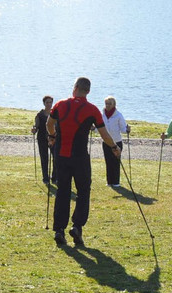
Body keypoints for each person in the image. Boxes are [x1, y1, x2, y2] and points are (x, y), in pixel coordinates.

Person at [47, 76, 120, 247]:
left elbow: (49, 124)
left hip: (61, 156)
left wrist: (52, 137)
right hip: (80, 157)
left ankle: (59, 230)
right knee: (83, 191)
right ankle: (77, 226)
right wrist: (114, 148)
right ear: (88, 91)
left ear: (76, 87)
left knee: (63, 192)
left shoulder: (60, 105)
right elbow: (104, 135)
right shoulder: (92, 110)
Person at [102, 96, 129, 189]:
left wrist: (127, 130)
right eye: (106, 104)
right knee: (108, 162)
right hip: (106, 142)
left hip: (117, 142)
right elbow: (100, 128)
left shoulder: (118, 115)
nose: (107, 106)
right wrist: (93, 128)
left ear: (114, 105)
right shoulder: (102, 114)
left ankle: (116, 182)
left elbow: (123, 129)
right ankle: (109, 181)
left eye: (109, 104)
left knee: (116, 162)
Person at [31, 95, 55, 185]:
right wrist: (33, 129)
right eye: (47, 102)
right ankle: (45, 178)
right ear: (44, 103)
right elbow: (36, 126)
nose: (49, 104)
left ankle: (54, 177)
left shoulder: (55, 114)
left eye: (50, 102)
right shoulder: (40, 115)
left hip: (53, 138)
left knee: (56, 158)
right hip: (42, 138)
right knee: (44, 158)